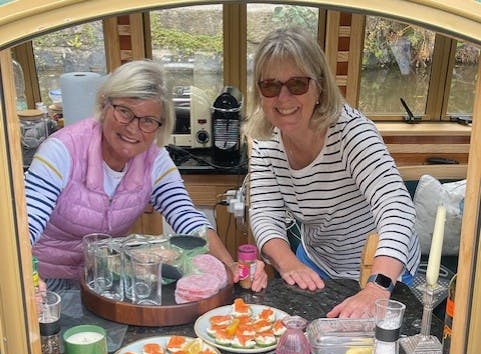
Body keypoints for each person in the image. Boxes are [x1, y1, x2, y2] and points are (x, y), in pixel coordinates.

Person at [26, 59, 267, 293]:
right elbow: (27, 223)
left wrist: (228, 266)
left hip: (106, 278)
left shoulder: (154, 158)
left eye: (148, 121)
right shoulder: (61, 151)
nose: (133, 128)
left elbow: (184, 214)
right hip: (49, 281)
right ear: (104, 104)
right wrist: (26, 280)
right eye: (124, 112)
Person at [247, 27, 420, 318]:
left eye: (298, 84)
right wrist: (288, 263)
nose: (284, 98)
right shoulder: (265, 140)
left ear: (320, 87)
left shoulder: (352, 133)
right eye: (271, 86)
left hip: (380, 269)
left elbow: (396, 208)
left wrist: (377, 287)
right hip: (316, 261)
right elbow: (265, 213)